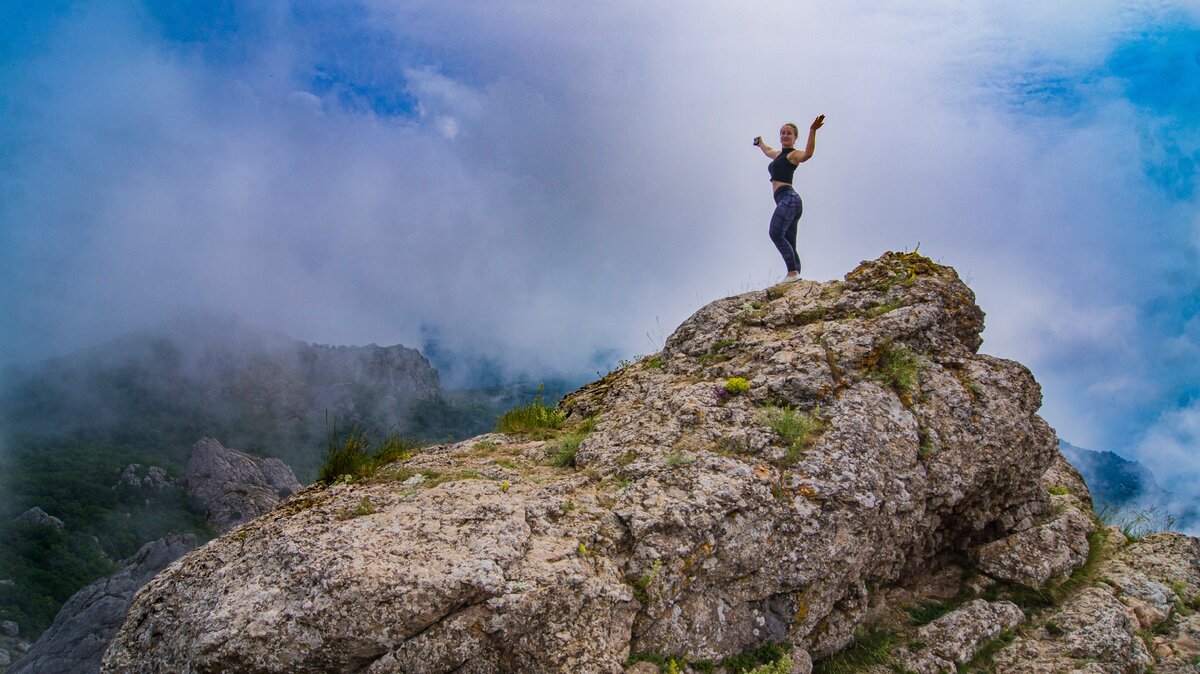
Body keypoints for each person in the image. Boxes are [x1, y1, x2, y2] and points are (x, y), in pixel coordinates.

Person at [754, 115, 824, 281]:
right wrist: (760, 143)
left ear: (795, 137)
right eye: (782, 133)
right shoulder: (778, 155)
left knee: (775, 232)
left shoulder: (793, 155)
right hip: (786, 200)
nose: (785, 135)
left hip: (789, 198)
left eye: (789, 133)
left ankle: (792, 273)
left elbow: (808, 154)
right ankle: (796, 276)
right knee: (790, 240)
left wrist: (812, 130)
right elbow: (768, 150)